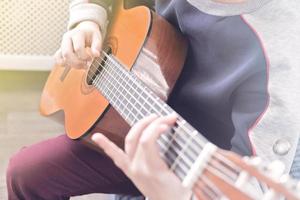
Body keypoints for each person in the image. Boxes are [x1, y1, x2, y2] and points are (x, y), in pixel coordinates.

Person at [6, 0, 300, 199]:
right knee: (24, 172)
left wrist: (170, 193)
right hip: (138, 109)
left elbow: (254, 188)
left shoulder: (281, 56)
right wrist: (86, 19)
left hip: (192, 157)